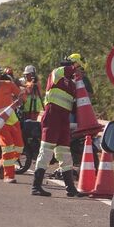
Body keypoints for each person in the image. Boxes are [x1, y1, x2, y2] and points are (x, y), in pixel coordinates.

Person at [31, 55, 80, 197]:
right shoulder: (57, 73)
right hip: (52, 115)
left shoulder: (72, 84)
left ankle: (71, 188)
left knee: (65, 154)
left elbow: (75, 106)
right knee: (46, 151)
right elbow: (69, 70)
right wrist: (76, 68)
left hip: (64, 119)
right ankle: (36, 186)